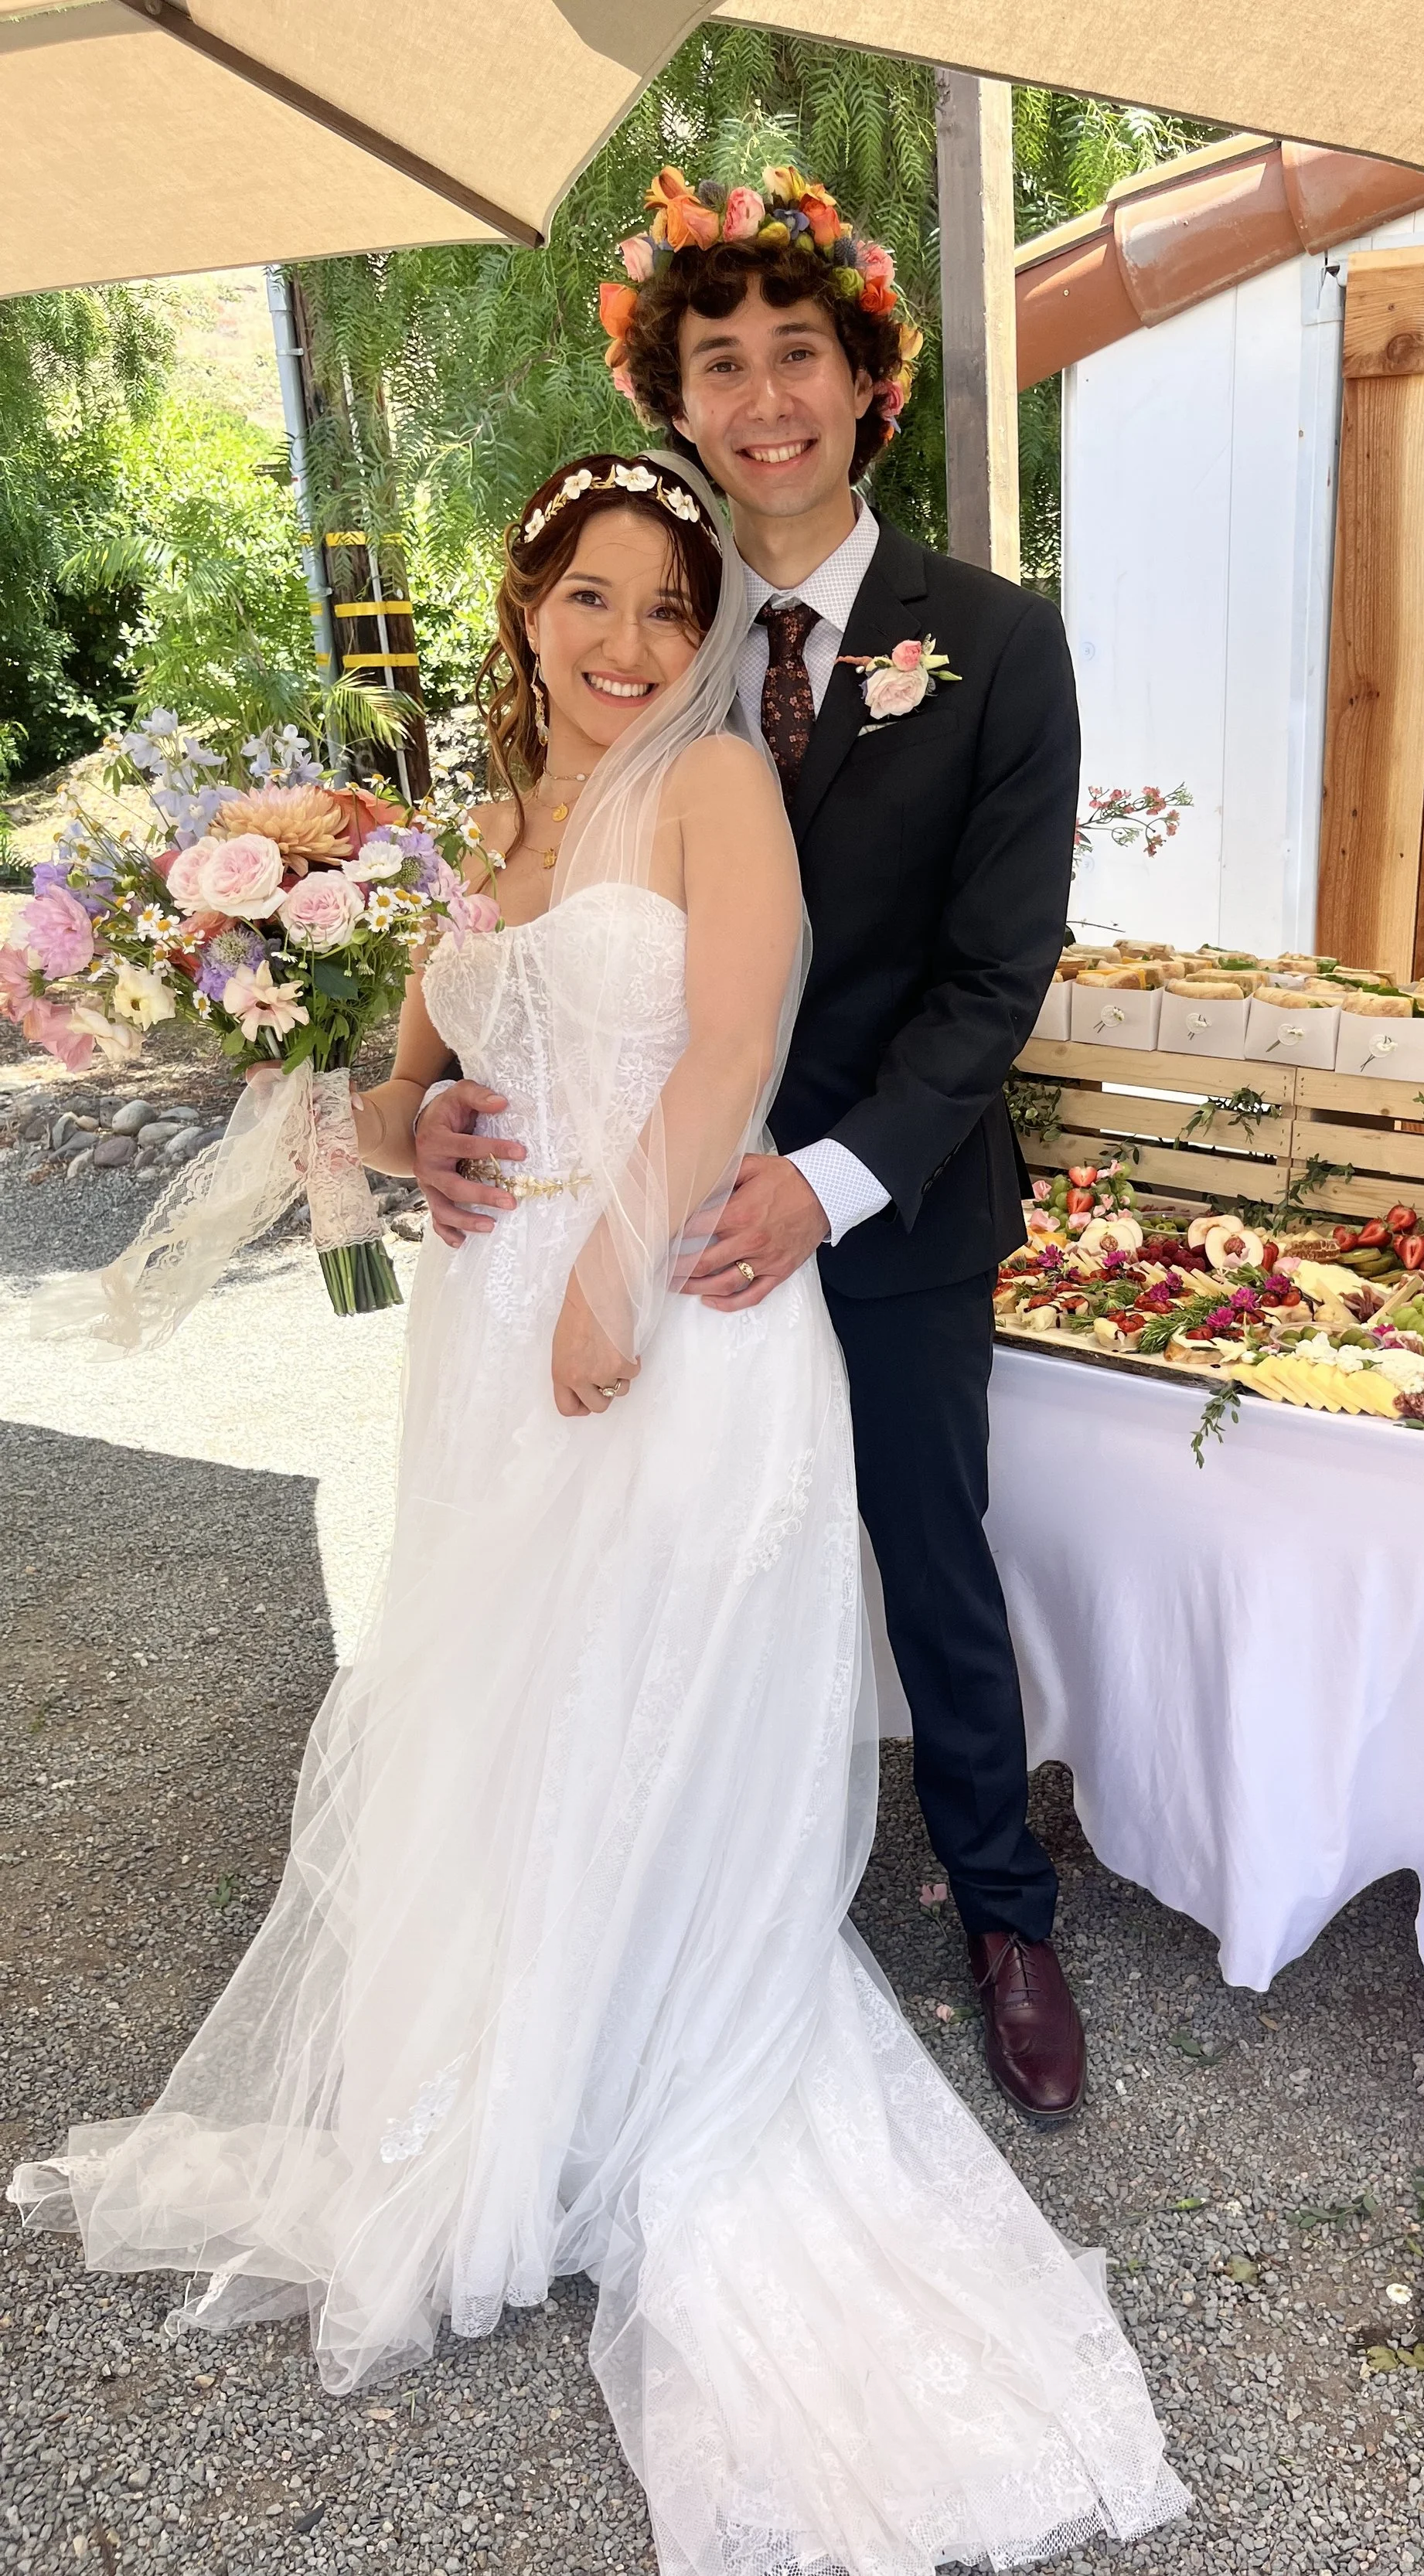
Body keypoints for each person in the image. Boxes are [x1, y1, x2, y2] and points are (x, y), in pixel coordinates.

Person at [11, 448, 1187, 2573]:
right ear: (524, 605)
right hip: (478, 1332)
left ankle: (640, 2056)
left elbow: (730, 1043)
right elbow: (385, 1096)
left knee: (651, 1684)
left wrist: (610, 1270)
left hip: (660, 1316)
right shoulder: (475, 838)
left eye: (667, 604)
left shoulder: (720, 787)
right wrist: (407, 1118)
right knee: (509, 1693)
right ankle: (507, 2064)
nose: (629, 642)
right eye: (591, 600)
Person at [411, 167, 1088, 2129]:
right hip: (621, 1206)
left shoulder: (989, 641)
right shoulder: (651, 645)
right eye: (721, 364)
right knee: (648, 1572)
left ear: (868, 381)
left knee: (924, 1551)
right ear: (674, 399)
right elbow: (533, 937)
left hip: (869, 1201)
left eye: (801, 354)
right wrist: (429, 1100)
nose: (763, 396)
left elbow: (991, 974)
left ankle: (999, 1904)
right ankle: (659, 1898)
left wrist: (827, 1176)